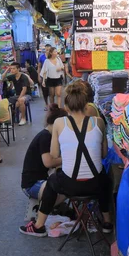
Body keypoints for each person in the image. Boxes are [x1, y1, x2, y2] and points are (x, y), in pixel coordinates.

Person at [20, 82, 113, 237]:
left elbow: (55, 154)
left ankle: (39, 226)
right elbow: (103, 154)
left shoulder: (58, 123)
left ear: (66, 105)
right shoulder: (99, 122)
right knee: (105, 179)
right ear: (86, 104)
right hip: (95, 185)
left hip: (70, 186)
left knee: (52, 182)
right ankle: (107, 222)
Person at [21, 104, 68, 200]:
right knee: (66, 190)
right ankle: (45, 212)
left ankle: (48, 210)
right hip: (33, 185)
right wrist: (68, 158)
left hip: (36, 181)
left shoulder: (47, 135)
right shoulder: (46, 137)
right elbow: (48, 162)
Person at [38, 44, 51, 110]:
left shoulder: (53, 57)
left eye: (49, 50)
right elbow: (39, 67)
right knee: (44, 92)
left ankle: (51, 104)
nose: (48, 51)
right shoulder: (42, 57)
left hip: (51, 76)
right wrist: (39, 76)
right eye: (47, 50)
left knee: (51, 91)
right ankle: (46, 104)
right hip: (43, 76)